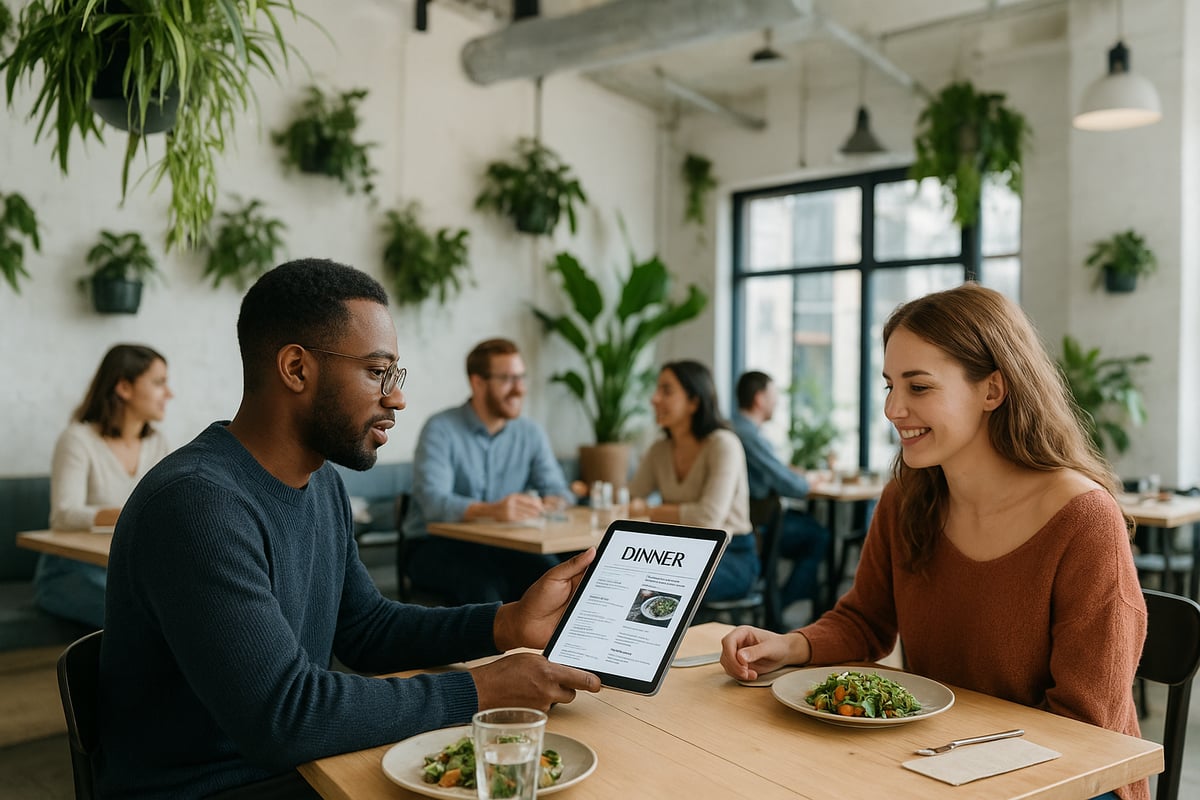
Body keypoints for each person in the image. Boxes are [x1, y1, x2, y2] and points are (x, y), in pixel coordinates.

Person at [97, 260, 599, 800]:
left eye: (395, 375)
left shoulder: (322, 483)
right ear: (296, 369)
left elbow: (367, 629)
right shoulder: (196, 504)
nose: (396, 398)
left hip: (303, 770)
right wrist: (483, 688)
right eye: (377, 371)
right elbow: (284, 715)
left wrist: (508, 622)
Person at [719, 283, 1148, 800]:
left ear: (992, 390)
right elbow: (866, 620)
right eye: (889, 386)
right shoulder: (906, 499)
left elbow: (1084, 726)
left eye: (919, 387)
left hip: (1070, 780)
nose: (893, 408)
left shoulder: (1083, 520)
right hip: (941, 761)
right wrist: (790, 645)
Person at [404, 338, 575, 604]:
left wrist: (549, 503)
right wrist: (493, 510)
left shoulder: (530, 433)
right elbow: (433, 504)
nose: (519, 389)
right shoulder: (440, 429)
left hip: (505, 544)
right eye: (507, 379)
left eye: (521, 377)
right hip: (433, 544)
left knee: (554, 577)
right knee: (484, 586)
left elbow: (560, 492)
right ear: (478, 383)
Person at [36, 344, 173, 628]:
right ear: (124, 387)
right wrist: (130, 514)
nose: (169, 394)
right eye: (159, 383)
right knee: (148, 617)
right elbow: (62, 515)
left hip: (127, 570)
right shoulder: (77, 440)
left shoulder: (157, 444)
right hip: (70, 572)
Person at [627, 360, 757, 603]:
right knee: (621, 577)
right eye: (657, 390)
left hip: (731, 557)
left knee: (654, 588)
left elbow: (707, 518)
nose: (654, 399)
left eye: (666, 391)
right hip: (677, 554)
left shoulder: (723, 444)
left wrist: (649, 511)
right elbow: (631, 498)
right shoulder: (659, 449)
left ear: (694, 402)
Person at [732, 371, 830, 621]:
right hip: (756, 526)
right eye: (773, 395)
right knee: (819, 536)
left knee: (811, 530)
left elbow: (776, 469)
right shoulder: (747, 434)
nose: (777, 402)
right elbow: (791, 486)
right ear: (759, 398)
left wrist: (800, 474)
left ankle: (780, 606)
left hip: (751, 521)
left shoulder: (737, 428)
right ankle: (779, 608)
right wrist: (807, 481)